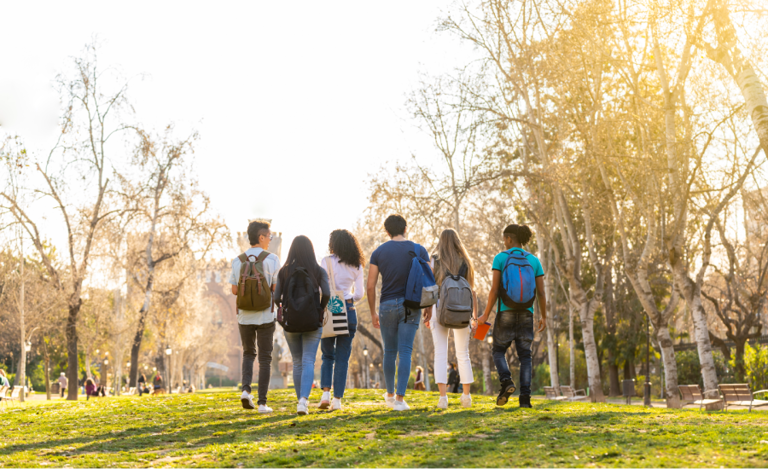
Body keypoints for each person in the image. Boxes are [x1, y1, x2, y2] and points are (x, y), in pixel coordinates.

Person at [477, 224, 547, 408]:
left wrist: (485, 315)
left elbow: (494, 290)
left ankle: (506, 381)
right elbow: (541, 293)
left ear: (509, 239)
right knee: (525, 356)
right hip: (527, 313)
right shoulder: (534, 261)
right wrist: (544, 317)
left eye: (504, 239)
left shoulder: (501, 258)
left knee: (498, 350)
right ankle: (525, 399)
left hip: (506, 312)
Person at [367, 214, 431, 411]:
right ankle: (400, 400)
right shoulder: (419, 249)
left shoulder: (378, 252)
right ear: (406, 228)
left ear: (387, 231)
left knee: (389, 351)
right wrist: (429, 306)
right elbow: (429, 280)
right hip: (410, 305)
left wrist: (372, 313)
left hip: (386, 305)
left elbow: (370, 286)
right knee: (405, 351)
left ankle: (389, 394)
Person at [274, 235, 330, 416]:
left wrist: (283, 310)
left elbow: (276, 298)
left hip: (291, 323)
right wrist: (319, 309)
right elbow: (327, 293)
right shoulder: (318, 270)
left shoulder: (284, 272)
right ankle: (303, 401)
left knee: (297, 361)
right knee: (308, 361)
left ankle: (300, 402)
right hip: (313, 321)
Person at [229, 220, 280, 414]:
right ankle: (262, 403)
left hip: (244, 317)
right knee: (265, 358)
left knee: (248, 353)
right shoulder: (272, 259)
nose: (270, 240)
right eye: (269, 236)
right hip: (266, 316)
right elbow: (275, 288)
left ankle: (245, 390)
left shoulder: (237, 260)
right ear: (261, 237)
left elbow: (234, 290)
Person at [429, 228, 477, 409]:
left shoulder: (435, 260)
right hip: (463, 310)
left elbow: (431, 288)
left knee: (440, 353)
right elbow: (472, 291)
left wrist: (428, 312)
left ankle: (443, 398)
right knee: (463, 354)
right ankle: (466, 397)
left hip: (440, 309)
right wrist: (474, 317)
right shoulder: (466, 262)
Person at [319, 229, 365, 411]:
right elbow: (360, 294)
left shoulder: (326, 262)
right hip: (349, 309)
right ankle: (337, 400)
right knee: (343, 358)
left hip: (331, 308)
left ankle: (325, 395)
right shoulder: (357, 265)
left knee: (327, 355)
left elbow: (322, 289)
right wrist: (348, 296)